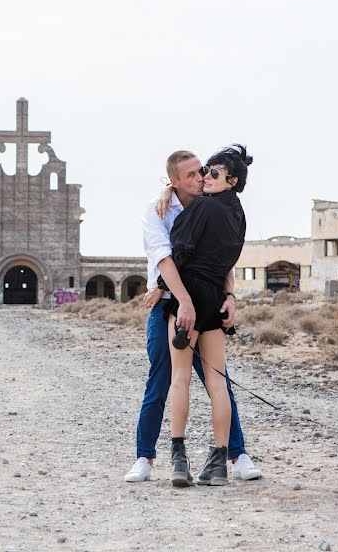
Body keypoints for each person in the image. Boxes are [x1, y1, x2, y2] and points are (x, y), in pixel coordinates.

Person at [124, 149, 262, 483]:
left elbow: (222, 261)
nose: (201, 176)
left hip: (189, 303)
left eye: (204, 171)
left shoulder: (207, 201)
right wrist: (170, 292)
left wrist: (230, 295)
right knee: (161, 379)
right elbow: (163, 256)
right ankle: (145, 457)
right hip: (172, 305)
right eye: (193, 174)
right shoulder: (159, 209)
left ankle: (235, 454)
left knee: (212, 379)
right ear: (173, 181)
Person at [162, 144, 252, 487]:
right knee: (217, 381)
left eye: (212, 173)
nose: (205, 178)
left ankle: (178, 459)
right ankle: (218, 463)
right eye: (204, 172)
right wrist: (229, 294)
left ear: (230, 179)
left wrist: (162, 287)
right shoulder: (238, 213)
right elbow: (229, 261)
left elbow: (179, 249)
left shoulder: (203, 207)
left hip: (189, 295)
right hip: (216, 297)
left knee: (180, 378)